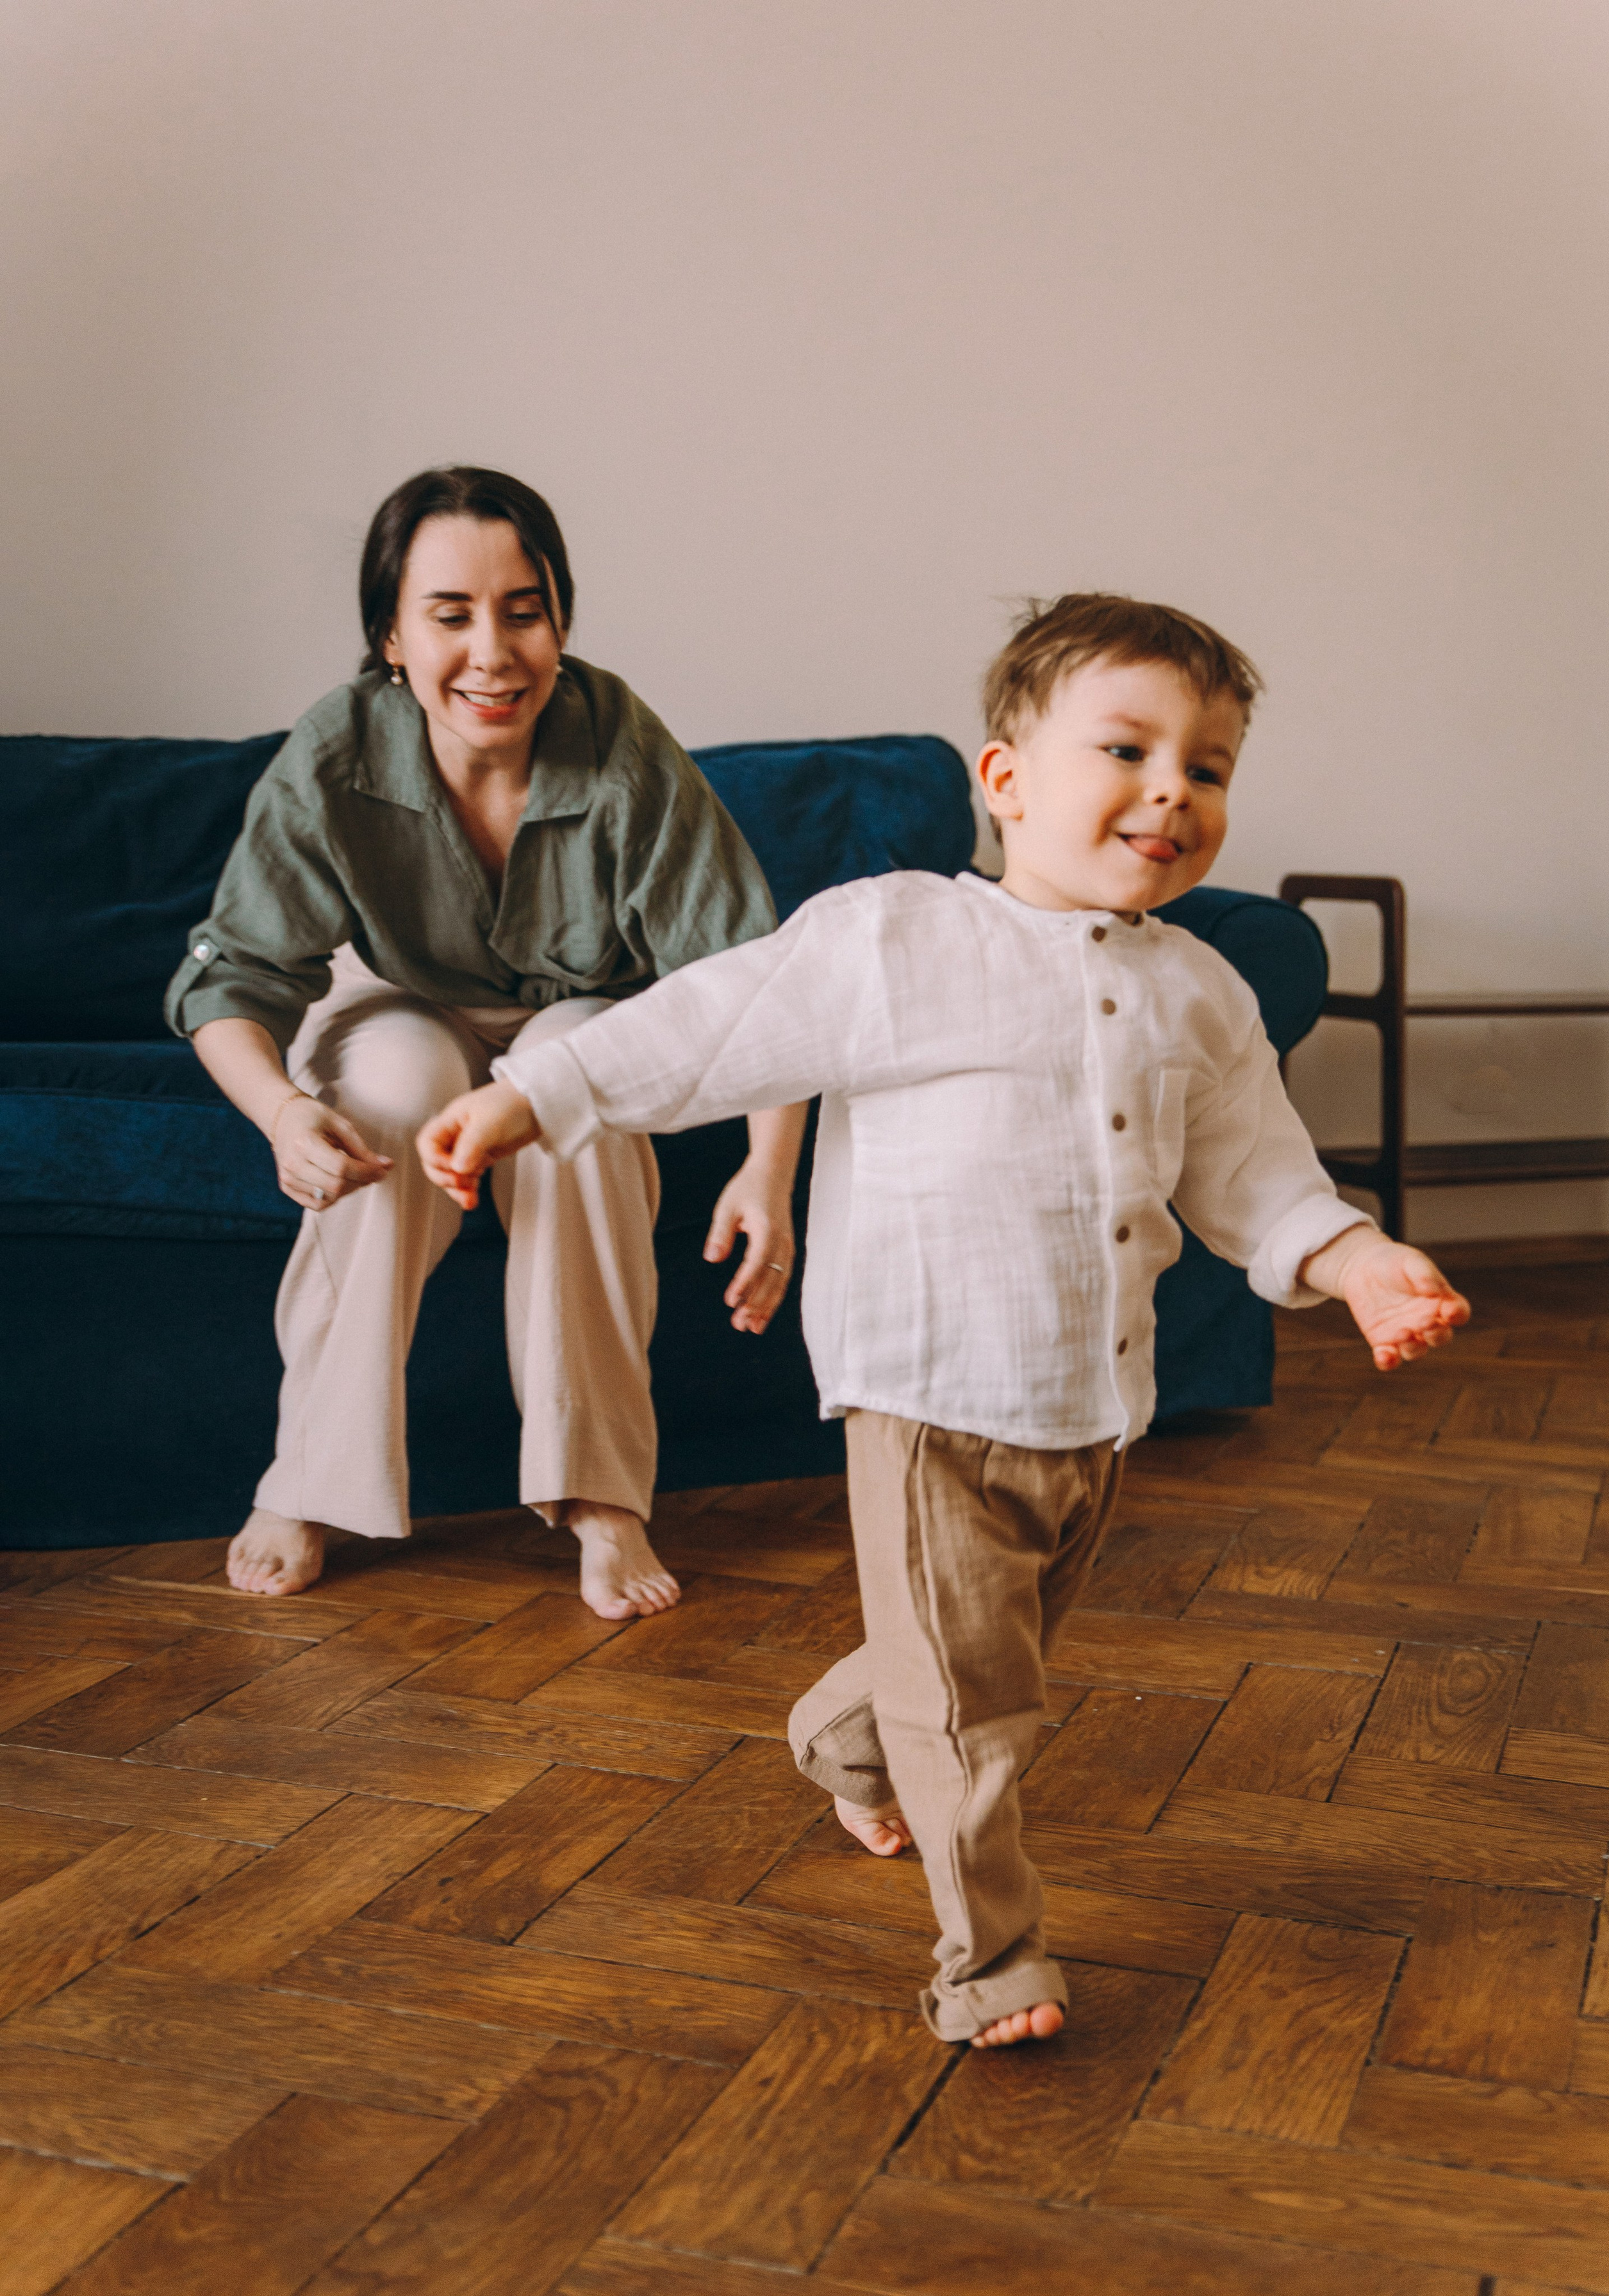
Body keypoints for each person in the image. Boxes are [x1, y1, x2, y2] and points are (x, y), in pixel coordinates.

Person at [411, 591, 1470, 2048]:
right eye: (1125, 747)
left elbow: (1253, 1171)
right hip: (924, 1388)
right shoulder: (893, 938)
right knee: (980, 1716)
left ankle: (840, 1737)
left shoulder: (1203, 993)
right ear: (1005, 777)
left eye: (1207, 765)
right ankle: (990, 1963)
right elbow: (711, 1023)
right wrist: (538, 1094)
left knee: (985, 1662)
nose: (1171, 787)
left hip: (1093, 1405)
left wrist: (1352, 1262)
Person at [165, 466, 805, 1616]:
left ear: (561, 615)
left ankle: (603, 1494)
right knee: (395, 1091)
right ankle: (309, 1477)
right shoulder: (336, 749)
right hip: (390, 1000)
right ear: (392, 636)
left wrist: (768, 1169)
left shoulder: (620, 745)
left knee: (575, 1101)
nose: (494, 653)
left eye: (524, 609)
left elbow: (747, 980)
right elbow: (233, 978)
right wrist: (278, 1115)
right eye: (450, 616)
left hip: (579, 1010)